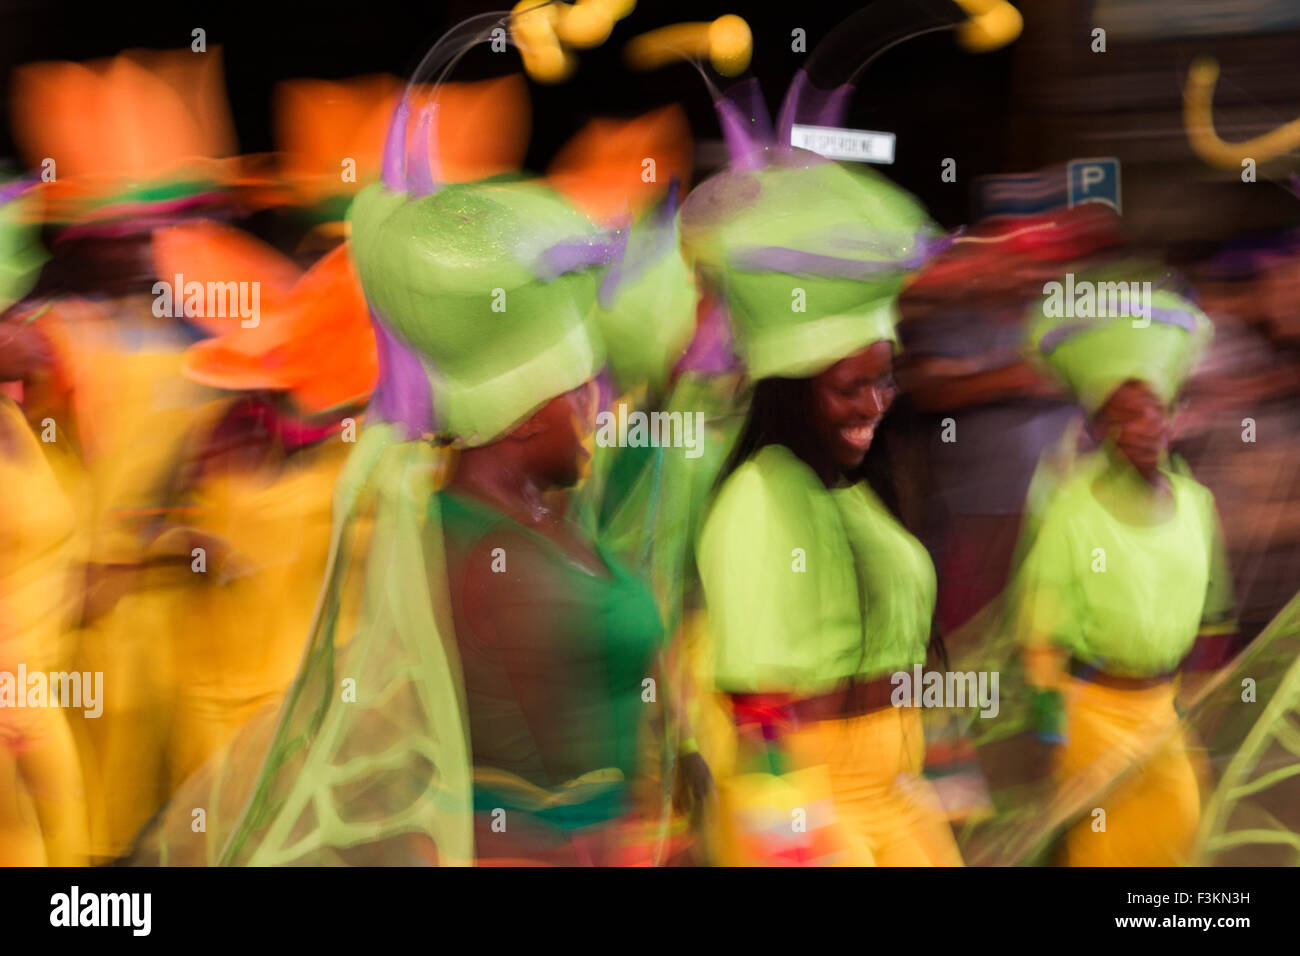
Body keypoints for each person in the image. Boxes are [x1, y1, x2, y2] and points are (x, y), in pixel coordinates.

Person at [1014, 283, 1234, 866]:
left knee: (1183, 833)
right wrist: (1051, 737)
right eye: (1122, 414)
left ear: (1171, 414)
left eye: (1151, 408)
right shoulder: (1071, 510)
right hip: (1094, 716)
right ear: (1100, 429)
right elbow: (1041, 637)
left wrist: (1201, 695)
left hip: (1162, 713)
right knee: (1109, 854)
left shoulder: (1196, 504)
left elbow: (1213, 615)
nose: (1141, 425)